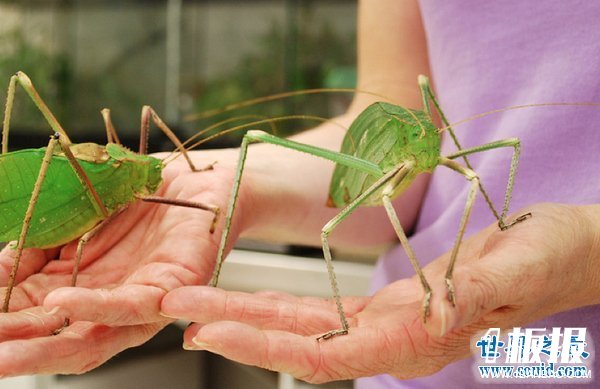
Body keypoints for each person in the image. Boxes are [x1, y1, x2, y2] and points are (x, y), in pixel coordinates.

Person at [0, 0, 598, 386]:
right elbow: (382, 157)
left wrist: (589, 250)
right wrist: (241, 181)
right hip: (421, 360)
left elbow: (469, 154)